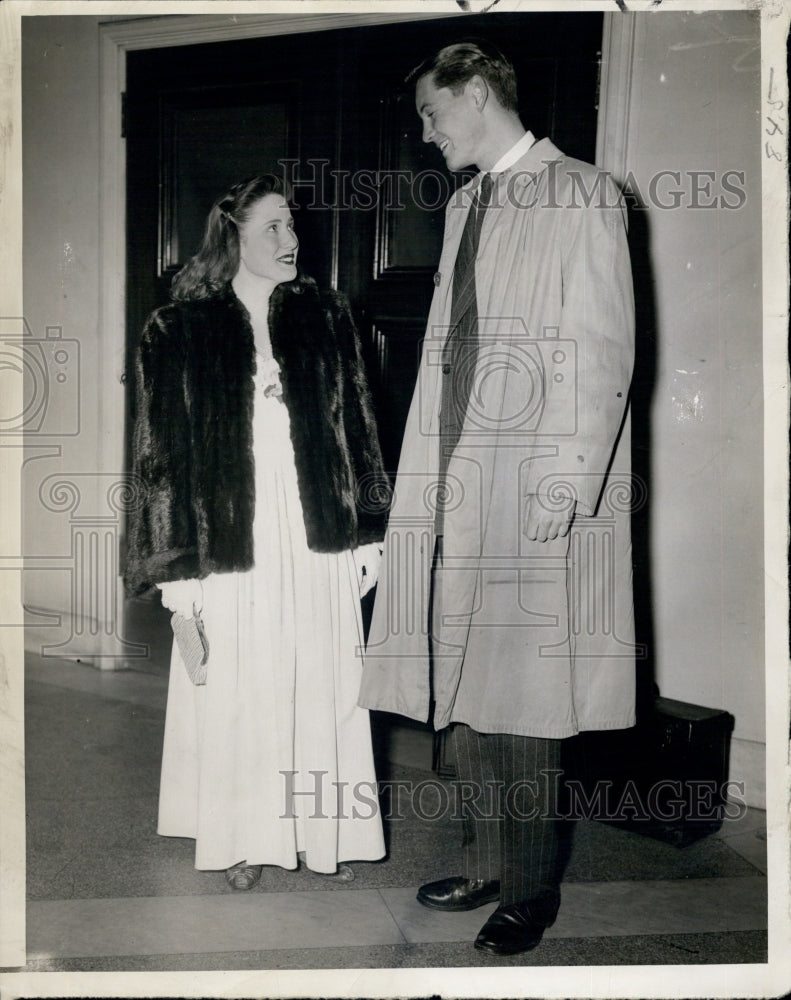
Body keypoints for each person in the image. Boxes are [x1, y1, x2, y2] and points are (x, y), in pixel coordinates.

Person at [358, 41, 636, 954]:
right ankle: (480, 859)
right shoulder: (469, 202)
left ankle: (528, 891)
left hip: (531, 488)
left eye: (434, 114)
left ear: (477, 94)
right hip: (455, 477)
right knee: (459, 684)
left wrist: (563, 490)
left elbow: (602, 357)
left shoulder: (584, 194)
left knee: (520, 700)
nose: (427, 134)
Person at [125, 173, 390, 889]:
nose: (291, 239)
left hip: (317, 531)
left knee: (324, 680)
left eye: (293, 223)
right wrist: (178, 573)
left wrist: (370, 534)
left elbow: (360, 429)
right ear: (232, 231)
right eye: (273, 225)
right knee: (241, 683)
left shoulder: (326, 315)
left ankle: (322, 832)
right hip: (231, 538)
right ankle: (241, 837)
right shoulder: (179, 327)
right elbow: (160, 458)